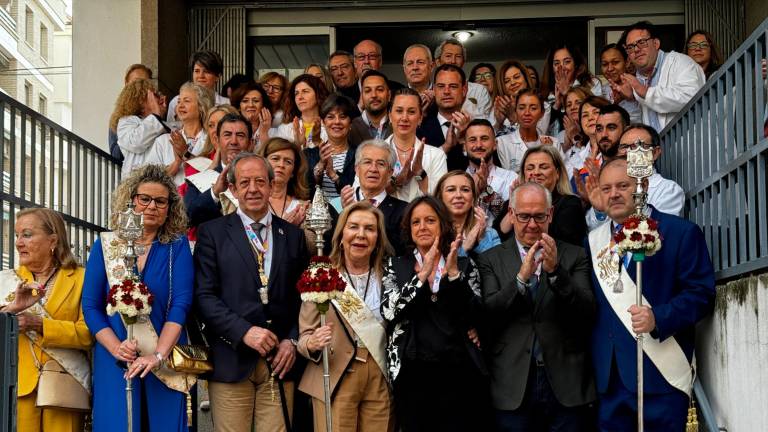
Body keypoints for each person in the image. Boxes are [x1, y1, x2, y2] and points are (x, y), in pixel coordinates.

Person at [587, 158, 715, 431]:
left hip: (661, 375)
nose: (614, 194)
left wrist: (659, 316)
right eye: (606, 188)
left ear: (642, 186)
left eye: (623, 186)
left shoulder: (681, 232)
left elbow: (701, 294)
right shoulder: (593, 242)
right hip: (610, 381)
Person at [194, 152, 309, 432]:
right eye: (244, 182)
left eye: (260, 181)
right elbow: (204, 296)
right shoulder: (212, 233)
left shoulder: (293, 236)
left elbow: (304, 298)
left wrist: (292, 340)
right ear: (232, 189)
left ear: (272, 184)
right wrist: (244, 331)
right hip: (231, 359)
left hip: (280, 362)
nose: (253, 189)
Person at [82, 165, 194, 431]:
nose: (152, 206)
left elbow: (181, 303)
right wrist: (115, 347)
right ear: (131, 200)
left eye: (160, 201)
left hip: (164, 359)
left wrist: (157, 354)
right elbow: (91, 305)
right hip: (116, 358)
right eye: (145, 198)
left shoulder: (176, 247)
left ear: (170, 208)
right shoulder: (107, 245)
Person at [477, 182, 596, 431]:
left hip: (566, 382)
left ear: (550, 214)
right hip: (512, 382)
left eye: (539, 216)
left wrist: (555, 273)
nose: (532, 224)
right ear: (511, 214)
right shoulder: (491, 258)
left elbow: (587, 311)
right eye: (523, 216)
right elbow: (488, 314)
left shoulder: (575, 255)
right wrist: (520, 280)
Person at [381, 196, 489, 432]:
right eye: (416, 222)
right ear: (408, 230)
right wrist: (421, 277)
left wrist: (452, 275)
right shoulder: (395, 266)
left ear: (442, 225)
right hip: (412, 373)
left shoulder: (464, 264)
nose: (422, 227)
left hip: (458, 373)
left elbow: (477, 316)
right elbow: (390, 312)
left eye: (430, 220)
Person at [297, 202, 395, 432]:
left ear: (378, 238)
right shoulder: (321, 275)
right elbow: (304, 337)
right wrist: (311, 343)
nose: (361, 235)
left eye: (370, 229)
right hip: (336, 376)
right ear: (341, 235)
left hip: (379, 376)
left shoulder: (391, 275)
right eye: (353, 227)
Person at [0, 208, 92, 432]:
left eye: (27, 234)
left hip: (65, 385)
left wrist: (39, 324)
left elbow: (89, 333)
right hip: (18, 385)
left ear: (53, 240)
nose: (19, 243)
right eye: (17, 235)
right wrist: (11, 311)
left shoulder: (82, 278)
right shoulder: (5, 280)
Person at [582, 123, 685, 231]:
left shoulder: (668, 189)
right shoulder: (610, 190)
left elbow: (659, 233)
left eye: (637, 146)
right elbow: (597, 238)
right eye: (624, 147)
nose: (629, 152)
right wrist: (600, 211)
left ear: (654, 153)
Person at [613, 21, 706, 132]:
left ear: (656, 43)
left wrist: (645, 92)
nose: (636, 49)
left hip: (691, 144)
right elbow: (639, 126)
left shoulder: (681, 62)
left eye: (642, 42)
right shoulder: (638, 79)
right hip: (659, 147)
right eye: (630, 47)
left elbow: (692, 98)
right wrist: (632, 99)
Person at [496, 145, 587, 247]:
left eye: (544, 167)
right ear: (523, 174)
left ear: (557, 173)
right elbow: (497, 237)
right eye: (530, 168)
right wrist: (515, 203)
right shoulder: (510, 203)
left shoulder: (570, 203)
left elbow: (562, 244)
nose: (536, 172)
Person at [339, 139, 408, 255]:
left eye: (381, 164)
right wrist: (346, 215)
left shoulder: (404, 210)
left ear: (390, 172)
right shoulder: (337, 205)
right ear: (356, 169)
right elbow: (330, 247)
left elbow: (401, 251)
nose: (373, 169)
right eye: (367, 162)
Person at [184, 113, 253, 229]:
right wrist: (214, 192)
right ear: (217, 140)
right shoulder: (199, 180)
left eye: (240, 135)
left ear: (250, 143)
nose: (234, 141)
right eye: (227, 135)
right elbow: (186, 218)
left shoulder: (264, 177)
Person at [384, 88, 447, 201]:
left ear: (420, 118)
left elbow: (441, 199)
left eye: (411, 112)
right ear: (390, 116)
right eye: (399, 111)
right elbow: (367, 195)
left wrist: (420, 174)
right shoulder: (374, 152)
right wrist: (396, 182)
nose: (404, 118)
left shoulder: (437, 155)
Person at [146, 82, 214, 186]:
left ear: (201, 106)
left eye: (186, 101)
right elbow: (149, 179)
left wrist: (186, 154)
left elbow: (214, 175)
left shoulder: (212, 140)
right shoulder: (163, 141)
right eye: (179, 101)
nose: (180, 106)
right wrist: (176, 163)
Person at [540, 43, 605, 135]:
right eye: (556, 63)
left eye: (567, 62)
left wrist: (567, 92)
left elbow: (595, 114)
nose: (561, 67)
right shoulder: (546, 92)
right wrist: (556, 106)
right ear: (552, 68)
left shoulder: (591, 83)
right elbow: (541, 129)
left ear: (576, 64)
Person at [110, 78, 170, 178]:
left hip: (157, 180)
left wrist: (160, 113)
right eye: (155, 95)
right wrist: (156, 114)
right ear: (140, 100)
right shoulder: (126, 122)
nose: (159, 98)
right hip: (136, 183)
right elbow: (136, 142)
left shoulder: (158, 122)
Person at [463, 118, 517, 225]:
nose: (478, 145)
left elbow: (509, 219)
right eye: (472, 139)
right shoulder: (455, 180)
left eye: (484, 139)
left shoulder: (510, 178)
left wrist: (486, 191)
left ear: (495, 144)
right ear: (464, 147)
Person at [417, 63, 471, 170]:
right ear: (434, 90)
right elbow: (417, 171)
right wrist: (446, 147)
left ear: (464, 90)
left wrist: (465, 141)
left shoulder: (477, 127)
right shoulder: (419, 128)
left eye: (453, 86)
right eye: (441, 86)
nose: (446, 92)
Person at [435, 170, 501, 256]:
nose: (458, 195)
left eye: (465, 190)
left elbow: (497, 267)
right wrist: (465, 247)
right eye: (451, 190)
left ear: (473, 199)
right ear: (440, 198)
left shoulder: (490, 234)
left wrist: (481, 240)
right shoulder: (432, 233)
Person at [305, 94, 358, 199]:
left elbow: (359, 192)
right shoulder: (308, 155)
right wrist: (319, 167)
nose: (337, 122)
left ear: (350, 123)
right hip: (316, 214)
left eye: (342, 117)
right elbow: (304, 191)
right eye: (330, 117)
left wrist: (333, 174)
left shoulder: (360, 155)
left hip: (348, 213)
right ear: (323, 123)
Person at [497, 89, 560, 173]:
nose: (527, 113)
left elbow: (560, 176)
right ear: (515, 111)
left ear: (542, 113)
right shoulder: (502, 143)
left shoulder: (554, 143)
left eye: (533, 108)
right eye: (521, 108)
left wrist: (550, 152)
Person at [434, 38, 492, 119]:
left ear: (463, 62)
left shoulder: (479, 90)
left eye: (458, 56)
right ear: (438, 62)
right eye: (448, 56)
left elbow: (486, 123)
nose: (453, 61)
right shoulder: (431, 93)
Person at [259, 137, 310, 227]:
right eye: (275, 159)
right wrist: (286, 228)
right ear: (261, 163)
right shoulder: (249, 202)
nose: (281, 165)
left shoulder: (302, 209)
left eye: (288, 162)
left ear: (293, 172)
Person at [167, 50, 229, 122]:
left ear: (218, 76)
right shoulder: (176, 102)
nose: (201, 76)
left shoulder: (226, 104)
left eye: (206, 71)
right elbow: (171, 129)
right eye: (197, 71)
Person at [109, 64, 154, 162]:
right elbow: (115, 154)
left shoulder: (156, 110)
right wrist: (129, 139)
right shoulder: (119, 115)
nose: (140, 87)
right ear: (126, 84)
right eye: (136, 82)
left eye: (144, 82)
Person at [276, 74, 330, 148]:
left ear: (318, 94)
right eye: (296, 93)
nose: (300, 97)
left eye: (305, 91)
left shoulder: (331, 126)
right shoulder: (285, 129)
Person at [600, 44, 642, 123]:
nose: (610, 68)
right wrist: (615, 104)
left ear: (627, 62)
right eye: (605, 64)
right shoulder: (601, 91)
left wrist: (632, 98)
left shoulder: (640, 84)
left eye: (615, 62)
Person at [492, 60, 535, 133]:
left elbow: (535, 138)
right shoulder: (498, 108)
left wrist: (513, 117)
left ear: (526, 78)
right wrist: (499, 123)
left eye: (516, 77)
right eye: (507, 81)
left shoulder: (542, 105)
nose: (512, 83)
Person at [559, 86, 592, 176]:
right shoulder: (562, 135)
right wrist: (565, 146)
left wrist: (575, 138)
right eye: (569, 105)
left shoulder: (594, 129)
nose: (573, 107)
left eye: (578, 103)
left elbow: (588, 164)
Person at [230, 81, 273, 150]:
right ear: (238, 106)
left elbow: (271, 157)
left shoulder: (275, 132)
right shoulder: (230, 130)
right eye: (245, 101)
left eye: (256, 101)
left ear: (263, 105)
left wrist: (264, 133)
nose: (250, 105)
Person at [351, 70, 392, 140]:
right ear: (362, 96)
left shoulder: (400, 125)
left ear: (389, 95)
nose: (374, 95)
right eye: (368, 91)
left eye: (379, 90)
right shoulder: (350, 128)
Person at [402, 44, 435, 113]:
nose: (415, 68)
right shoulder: (395, 99)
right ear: (404, 69)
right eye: (410, 63)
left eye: (420, 62)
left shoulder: (443, 96)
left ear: (431, 66)